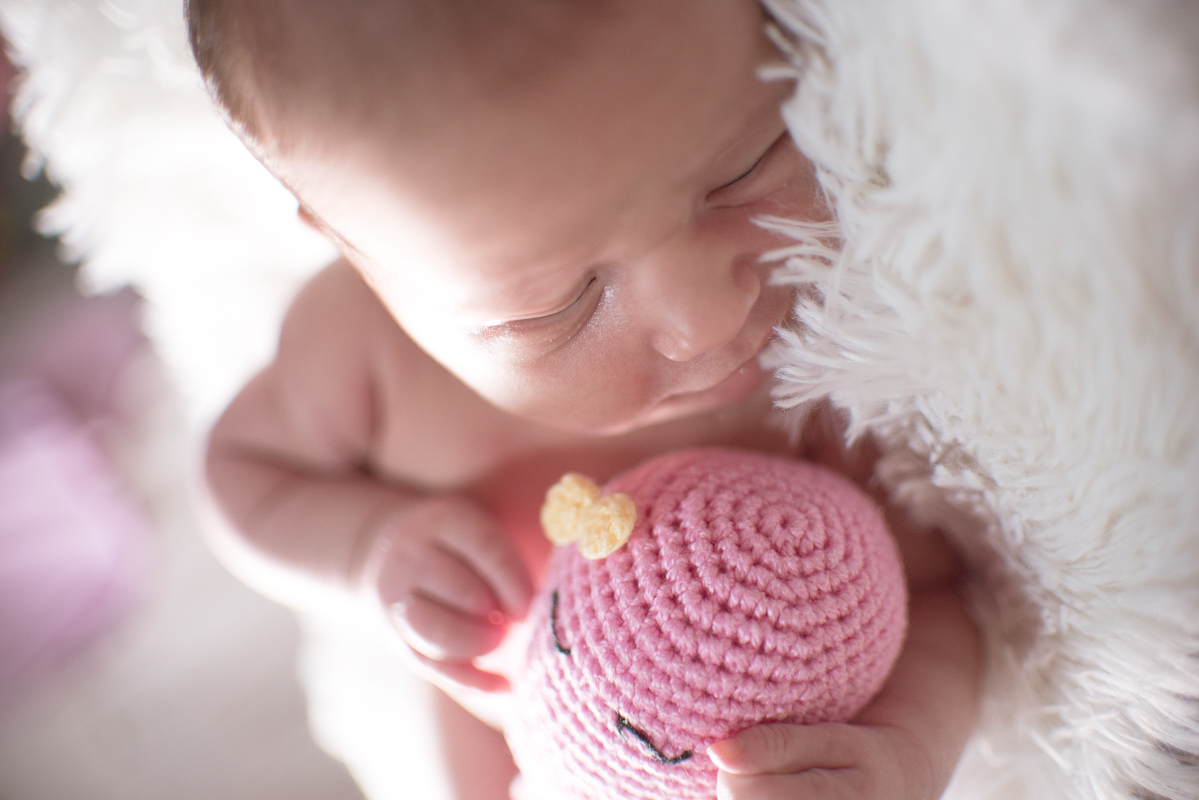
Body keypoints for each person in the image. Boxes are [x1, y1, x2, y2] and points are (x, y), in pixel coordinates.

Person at [192, 1, 981, 797]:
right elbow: (243, 472)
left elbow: (934, 594)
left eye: (742, 170)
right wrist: (368, 549)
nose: (704, 319)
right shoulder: (362, 351)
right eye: (558, 305)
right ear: (361, 255)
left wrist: (907, 749)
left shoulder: (836, 357)